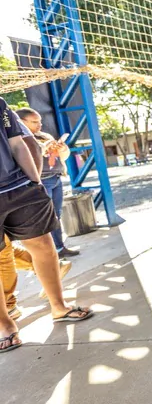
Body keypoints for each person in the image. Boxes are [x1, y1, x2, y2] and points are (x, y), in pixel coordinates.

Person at [1, 97, 93, 352]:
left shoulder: (1, 105)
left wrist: (34, 181)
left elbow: (20, 143)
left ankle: (59, 306)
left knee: (43, 244)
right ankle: (5, 326)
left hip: (19, 188)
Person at [16, 107, 79, 257]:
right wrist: (44, 148)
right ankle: (49, 252)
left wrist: (62, 149)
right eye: (34, 122)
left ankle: (59, 247)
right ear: (21, 122)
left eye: (40, 121)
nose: (39, 125)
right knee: (46, 218)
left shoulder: (44, 135)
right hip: (41, 182)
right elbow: (30, 156)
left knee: (56, 215)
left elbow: (61, 157)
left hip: (55, 177)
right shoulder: (18, 139)